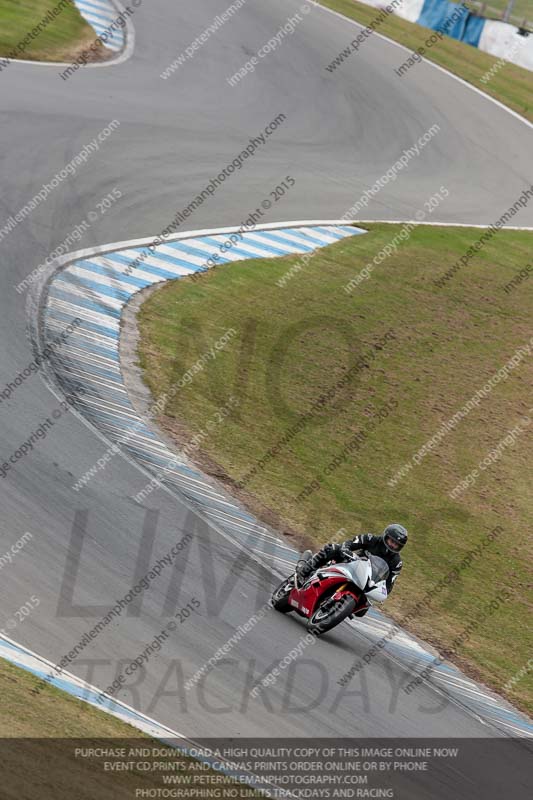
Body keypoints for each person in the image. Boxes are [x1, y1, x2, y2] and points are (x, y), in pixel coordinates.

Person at [296, 524, 408, 614]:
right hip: (352, 564)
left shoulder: (397, 562)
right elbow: (351, 543)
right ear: (385, 536)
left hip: (367, 582)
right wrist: (345, 549)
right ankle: (306, 570)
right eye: (392, 541)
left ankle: (339, 607)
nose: (393, 545)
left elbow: (389, 584)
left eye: (397, 545)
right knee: (333, 548)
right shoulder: (371, 539)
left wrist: (382, 593)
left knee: (362, 611)